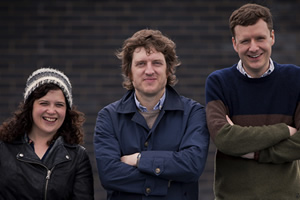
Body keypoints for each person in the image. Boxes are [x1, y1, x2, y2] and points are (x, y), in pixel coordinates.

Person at [94, 29, 210, 200]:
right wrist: (167, 180)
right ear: (129, 72)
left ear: (169, 69)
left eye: (156, 63)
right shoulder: (109, 117)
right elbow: (109, 174)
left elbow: (192, 165)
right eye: (141, 64)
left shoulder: (193, 113)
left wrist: (140, 159)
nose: (149, 71)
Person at [205, 3, 300, 199]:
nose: (253, 47)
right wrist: (283, 130)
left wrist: (254, 153)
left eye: (260, 38)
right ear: (234, 44)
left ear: (272, 37)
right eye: (245, 41)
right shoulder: (219, 83)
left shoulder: (295, 79)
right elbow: (224, 139)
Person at [0, 68, 94, 199]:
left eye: (59, 105)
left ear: (67, 111)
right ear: (30, 106)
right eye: (44, 103)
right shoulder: (3, 148)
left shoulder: (77, 157)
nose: (51, 111)